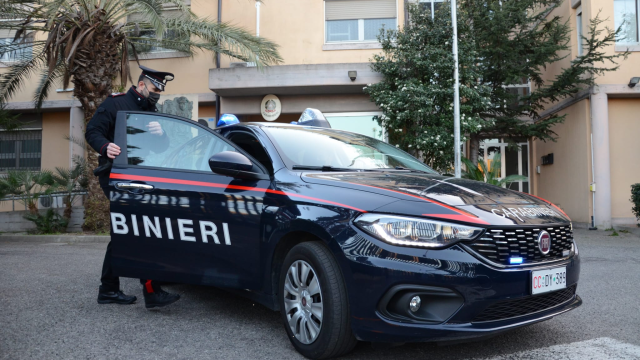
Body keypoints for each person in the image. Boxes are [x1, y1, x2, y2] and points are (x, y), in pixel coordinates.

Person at [85, 65, 180, 309]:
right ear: (140, 85)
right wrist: (105, 146)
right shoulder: (115, 104)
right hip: (116, 177)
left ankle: (111, 289)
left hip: (141, 178)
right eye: (154, 88)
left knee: (129, 230)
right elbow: (92, 131)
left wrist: (161, 135)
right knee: (137, 229)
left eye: (160, 90)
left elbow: (159, 149)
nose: (157, 93)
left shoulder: (151, 111)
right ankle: (149, 290)